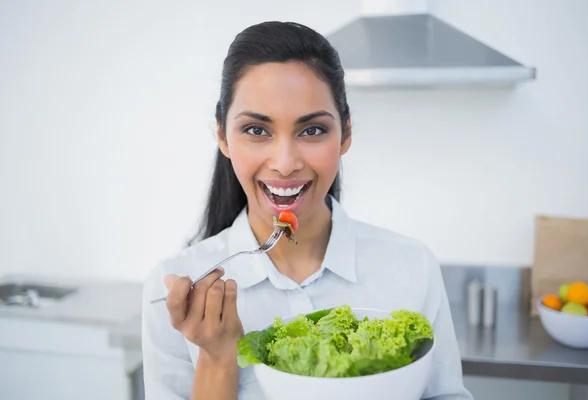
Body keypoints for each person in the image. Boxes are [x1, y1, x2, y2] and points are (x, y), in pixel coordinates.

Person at [142, 20, 473, 400]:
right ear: (222, 136)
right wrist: (218, 359)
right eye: (256, 130)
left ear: (345, 134)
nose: (285, 163)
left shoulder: (412, 268)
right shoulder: (176, 290)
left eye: (312, 130)